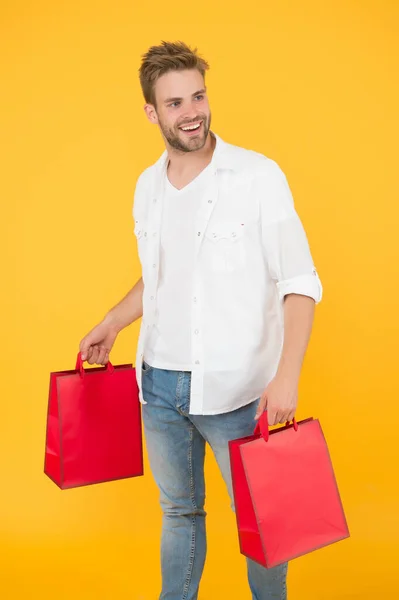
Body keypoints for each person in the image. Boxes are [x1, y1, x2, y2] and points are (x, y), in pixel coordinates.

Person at [79, 40, 323, 600]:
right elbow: (162, 277)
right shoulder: (147, 187)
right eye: (174, 103)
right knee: (180, 513)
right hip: (159, 385)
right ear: (151, 112)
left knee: (263, 522)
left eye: (198, 95)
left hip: (237, 388)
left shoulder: (257, 176)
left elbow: (300, 283)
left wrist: (286, 376)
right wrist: (115, 320)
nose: (191, 111)